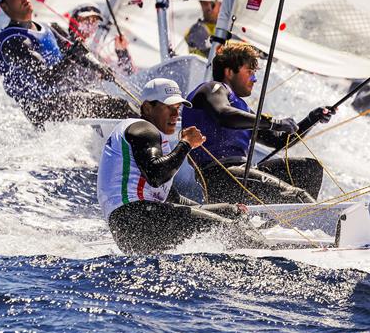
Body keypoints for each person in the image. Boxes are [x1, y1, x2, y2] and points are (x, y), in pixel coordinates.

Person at [97, 78, 261, 254]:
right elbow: (156, 175)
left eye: (178, 108)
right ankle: (267, 254)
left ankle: (261, 246)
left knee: (231, 212)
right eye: (169, 107)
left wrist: (221, 209)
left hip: (137, 223)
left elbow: (172, 198)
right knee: (227, 230)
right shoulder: (143, 130)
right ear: (147, 108)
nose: (175, 115)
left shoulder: (152, 136)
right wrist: (186, 144)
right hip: (137, 219)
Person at [181, 42, 336, 205]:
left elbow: (279, 140)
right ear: (229, 71)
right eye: (249, 72)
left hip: (244, 172)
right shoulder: (213, 88)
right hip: (221, 176)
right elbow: (223, 115)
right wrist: (273, 122)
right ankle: (313, 218)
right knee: (296, 196)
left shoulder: (242, 108)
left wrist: (311, 119)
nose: (254, 79)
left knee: (309, 169)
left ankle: (276, 227)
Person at [0, 0, 136, 127]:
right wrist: (72, 58)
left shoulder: (49, 27)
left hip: (64, 99)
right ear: (5, 6)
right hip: (42, 108)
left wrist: (99, 67)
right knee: (121, 107)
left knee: (122, 103)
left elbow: (78, 51)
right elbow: (45, 80)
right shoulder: (11, 41)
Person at [51, 3, 135, 76]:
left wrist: (121, 51)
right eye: (86, 20)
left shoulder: (94, 55)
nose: (90, 25)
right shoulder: (59, 36)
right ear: (74, 20)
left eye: (94, 21)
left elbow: (126, 72)